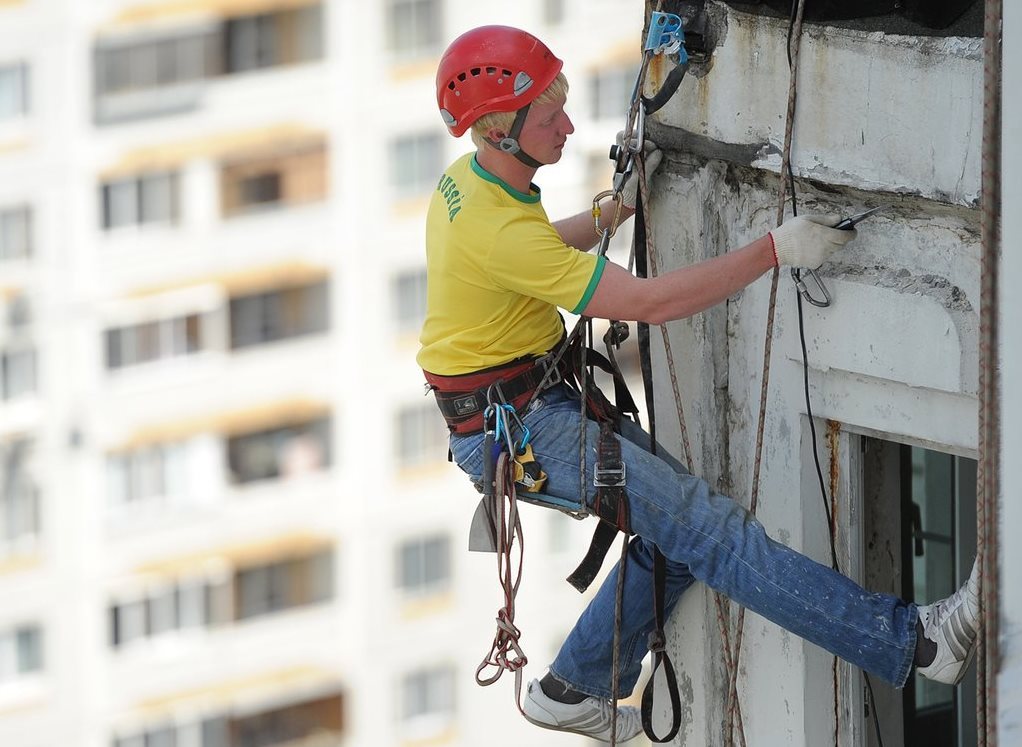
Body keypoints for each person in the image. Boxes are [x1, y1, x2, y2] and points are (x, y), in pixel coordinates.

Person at [418, 25, 980, 742]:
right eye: (548, 115)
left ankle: (573, 686)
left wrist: (607, 214)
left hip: (525, 405)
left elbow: (532, 251)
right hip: (525, 427)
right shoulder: (497, 228)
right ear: (499, 130)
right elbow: (650, 301)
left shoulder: (470, 185)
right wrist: (776, 249)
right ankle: (920, 643)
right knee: (716, 535)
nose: (566, 122)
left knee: (681, 535)